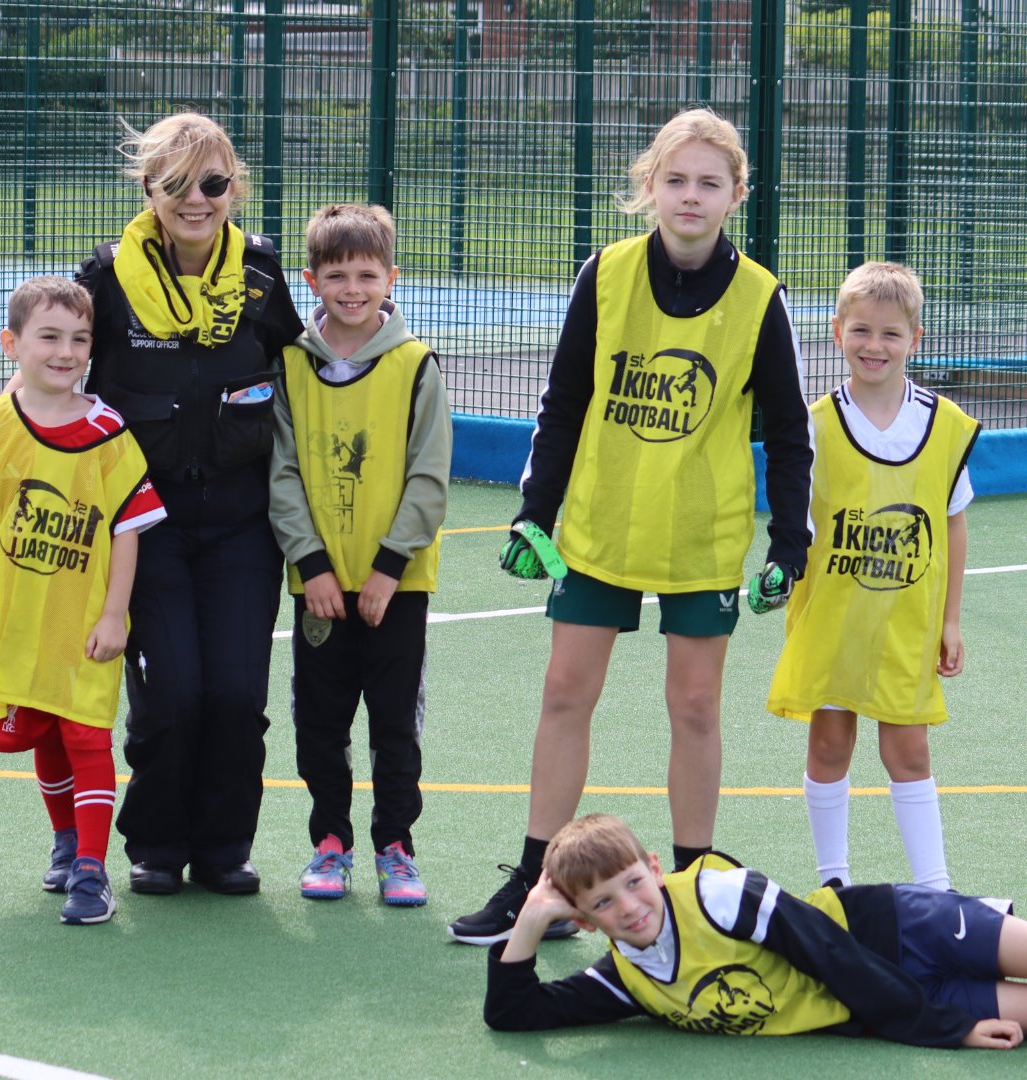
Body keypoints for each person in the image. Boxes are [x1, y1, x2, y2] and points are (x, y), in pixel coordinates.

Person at [447, 107, 813, 945]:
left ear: (735, 197)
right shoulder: (604, 274)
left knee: (694, 707)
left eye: (708, 183)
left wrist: (788, 544)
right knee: (565, 694)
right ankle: (542, 885)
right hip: (601, 529)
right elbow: (563, 404)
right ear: (650, 188)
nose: (691, 196)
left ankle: (690, 893)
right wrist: (532, 510)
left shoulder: (760, 297)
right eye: (675, 179)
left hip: (700, 535)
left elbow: (791, 433)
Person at [0, 113, 306, 894]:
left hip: (244, 522)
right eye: (176, 183)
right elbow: (52, 365)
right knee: (172, 689)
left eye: (212, 183)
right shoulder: (106, 279)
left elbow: (306, 369)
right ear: (148, 188)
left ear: (233, 190)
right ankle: (154, 846)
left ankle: (223, 849)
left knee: (237, 692)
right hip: (142, 527)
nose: (196, 199)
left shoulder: (262, 273)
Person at [0, 277, 166, 924]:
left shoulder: (107, 431)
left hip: (83, 624)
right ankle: (67, 840)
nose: (66, 351)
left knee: (88, 733)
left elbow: (127, 531)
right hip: (19, 622)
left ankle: (94, 871)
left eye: (79, 339)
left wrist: (112, 614)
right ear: (12, 343)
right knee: (43, 730)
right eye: (49, 337)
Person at [766, 262, 980, 892]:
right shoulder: (814, 422)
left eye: (891, 334)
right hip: (833, 616)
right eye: (861, 330)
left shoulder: (943, 425)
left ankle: (936, 890)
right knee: (830, 745)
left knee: (908, 752)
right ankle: (834, 883)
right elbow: (794, 520)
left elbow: (954, 524)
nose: (874, 346)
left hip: (906, 622)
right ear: (837, 333)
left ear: (915, 338)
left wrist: (950, 619)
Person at [483, 813, 1026, 1050]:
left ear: (654, 867)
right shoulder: (628, 980)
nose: (627, 908)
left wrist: (947, 1028)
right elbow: (514, 1013)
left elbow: (834, 956)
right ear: (581, 921)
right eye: (602, 902)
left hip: (899, 928)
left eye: (631, 883)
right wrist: (530, 917)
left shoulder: (720, 895)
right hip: (886, 1001)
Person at [269, 203, 451, 906]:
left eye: (367, 273)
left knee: (394, 723)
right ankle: (330, 843)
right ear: (311, 279)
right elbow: (280, 471)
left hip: (394, 587)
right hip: (316, 584)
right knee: (319, 721)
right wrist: (311, 563)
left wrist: (389, 567)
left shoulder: (414, 365)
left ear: (391, 276)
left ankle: (396, 848)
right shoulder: (290, 364)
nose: (352, 287)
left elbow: (429, 478)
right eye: (337, 274)